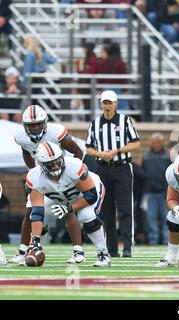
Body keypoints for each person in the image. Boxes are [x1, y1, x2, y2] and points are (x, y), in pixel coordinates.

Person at [8, 105, 85, 266]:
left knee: (68, 210)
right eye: (31, 125)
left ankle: (78, 251)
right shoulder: (21, 137)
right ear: (25, 126)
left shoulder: (56, 132)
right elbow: (26, 151)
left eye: (38, 124)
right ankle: (23, 251)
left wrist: (72, 173)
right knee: (30, 211)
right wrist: (32, 172)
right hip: (43, 175)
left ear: (45, 123)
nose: (35, 128)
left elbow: (78, 152)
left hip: (62, 173)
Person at [26, 141, 111, 267]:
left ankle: (103, 253)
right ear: (42, 165)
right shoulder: (35, 177)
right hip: (61, 197)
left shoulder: (73, 166)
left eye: (57, 161)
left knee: (86, 216)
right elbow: (37, 212)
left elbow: (91, 196)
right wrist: (35, 240)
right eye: (50, 164)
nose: (55, 166)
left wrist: (68, 208)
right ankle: (36, 247)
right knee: (38, 217)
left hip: (87, 192)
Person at [85, 90, 140, 258]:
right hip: (103, 169)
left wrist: (117, 151)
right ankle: (112, 248)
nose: (107, 106)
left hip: (122, 167)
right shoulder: (95, 123)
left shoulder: (124, 121)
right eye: (105, 103)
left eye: (110, 103)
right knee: (106, 211)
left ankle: (128, 247)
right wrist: (99, 154)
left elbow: (136, 143)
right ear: (101, 104)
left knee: (125, 209)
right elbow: (88, 147)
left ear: (116, 104)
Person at [141, 133, 171, 245]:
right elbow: (144, 173)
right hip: (150, 193)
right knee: (151, 219)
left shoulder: (168, 156)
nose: (156, 145)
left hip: (164, 193)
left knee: (165, 218)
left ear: (162, 143)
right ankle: (153, 240)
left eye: (158, 142)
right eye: (154, 142)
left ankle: (165, 240)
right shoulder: (146, 156)